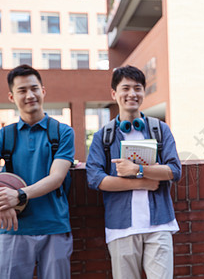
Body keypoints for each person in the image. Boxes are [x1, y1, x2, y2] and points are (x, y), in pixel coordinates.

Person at [86, 65, 181, 279]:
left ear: (143, 92)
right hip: (121, 227)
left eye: (137, 88)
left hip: (160, 224)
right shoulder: (104, 136)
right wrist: (142, 182)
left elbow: (174, 170)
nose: (132, 94)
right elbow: (94, 178)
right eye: (125, 88)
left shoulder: (159, 129)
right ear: (114, 93)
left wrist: (137, 169)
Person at [0, 65, 75, 278]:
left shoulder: (62, 132)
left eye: (34, 88)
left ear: (43, 91)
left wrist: (18, 195)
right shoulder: (5, 135)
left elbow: (56, 177)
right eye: (22, 90)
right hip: (13, 227)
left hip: (54, 226)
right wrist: (2, 202)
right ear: (12, 96)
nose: (30, 95)